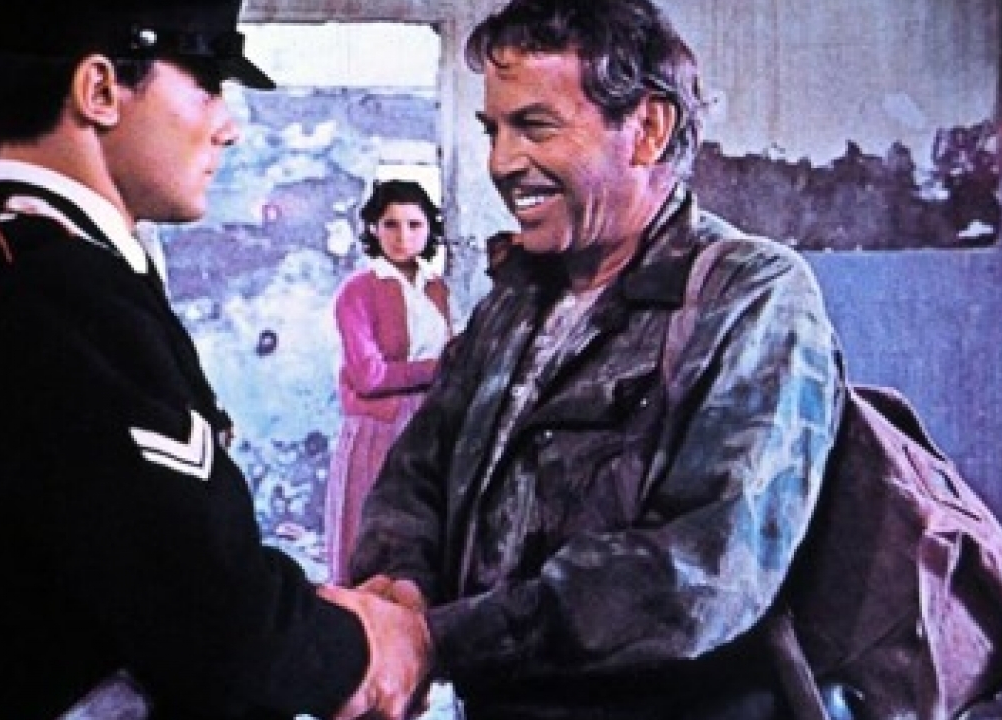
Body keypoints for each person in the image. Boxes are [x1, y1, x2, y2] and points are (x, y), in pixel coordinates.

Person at [0, 1, 429, 718]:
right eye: (207, 83)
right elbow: (219, 631)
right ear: (100, 90)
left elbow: (145, 571)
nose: (227, 125)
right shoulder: (59, 301)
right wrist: (371, 648)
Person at [348, 0, 845, 718]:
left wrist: (436, 640)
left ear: (647, 129)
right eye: (493, 130)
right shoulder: (515, 298)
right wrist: (399, 585)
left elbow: (704, 573)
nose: (502, 163)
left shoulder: (752, 293)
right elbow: (418, 472)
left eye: (535, 127)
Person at [325, 179, 452, 585]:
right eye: (391, 225)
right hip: (380, 428)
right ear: (374, 229)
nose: (403, 237)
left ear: (430, 230)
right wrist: (441, 366)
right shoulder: (358, 291)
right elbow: (369, 376)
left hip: (432, 422)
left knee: (424, 545)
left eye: (415, 225)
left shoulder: (436, 288)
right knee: (375, 545)